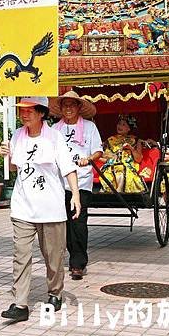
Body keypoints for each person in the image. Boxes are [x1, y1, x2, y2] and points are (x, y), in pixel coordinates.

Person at [0, 97, 81, 322]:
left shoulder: (55, 137)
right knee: (21, 256)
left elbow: (68, 168)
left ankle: (55, 292)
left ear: (41, 113)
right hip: (23, 207)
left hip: (51, 208)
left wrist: (75, 194)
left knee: (53, 257)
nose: (24, 115)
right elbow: (16, 167)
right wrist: (6, 155)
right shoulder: (16, 135)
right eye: (22, 111)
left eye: (29, 111)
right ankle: (20, 303)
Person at [49, 91, 102, 281]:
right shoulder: (55, 129)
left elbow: (98, 151)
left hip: (82, 182)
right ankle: (64, 258)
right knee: (61, 223)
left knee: (77, 223)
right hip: (59, 183)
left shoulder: (89, 127)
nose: (69, 108)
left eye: (73, 105)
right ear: (61, 109)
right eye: (65, 105)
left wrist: (87, 159)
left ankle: (78, 263)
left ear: (79, 108)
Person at [100, 114, 145, 193]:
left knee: (121, 172)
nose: (120, 126)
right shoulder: (110, 140)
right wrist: (111, 157)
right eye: (119, 124)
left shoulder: (136, 140)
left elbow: (139, 159)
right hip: (111, 165)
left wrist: (130, 148)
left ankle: (118, 193)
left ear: (128, 128)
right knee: (112, 172)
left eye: (123, 124)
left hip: (127, 166)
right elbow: (103, 157)